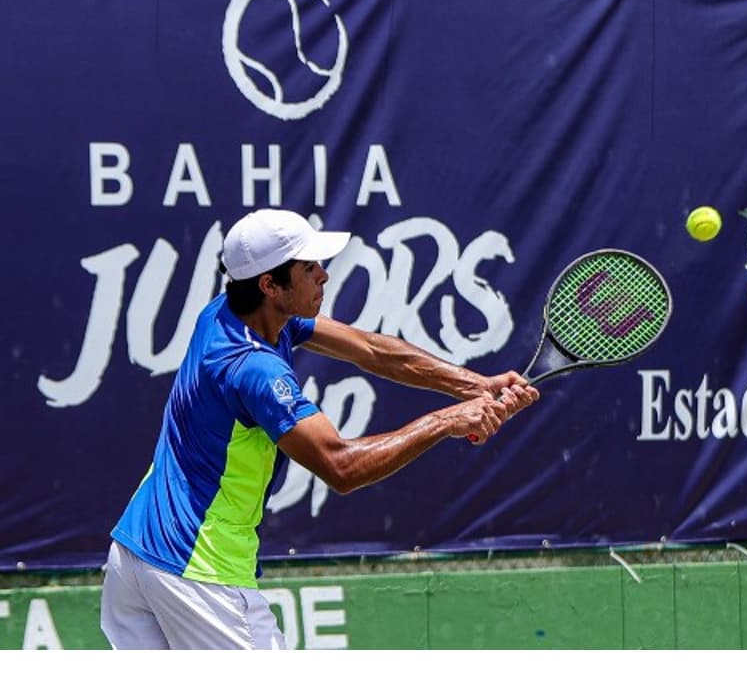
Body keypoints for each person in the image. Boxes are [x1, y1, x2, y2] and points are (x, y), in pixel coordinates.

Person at [99, 208, 539, 650]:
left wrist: (476, 385)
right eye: (309, 269)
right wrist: (447, 422)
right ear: (271, 285)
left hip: (134, 557)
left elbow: (371, 350)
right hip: (200, 573)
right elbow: (340, 466)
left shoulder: (230, 312)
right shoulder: (253, 370)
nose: (324, 276)